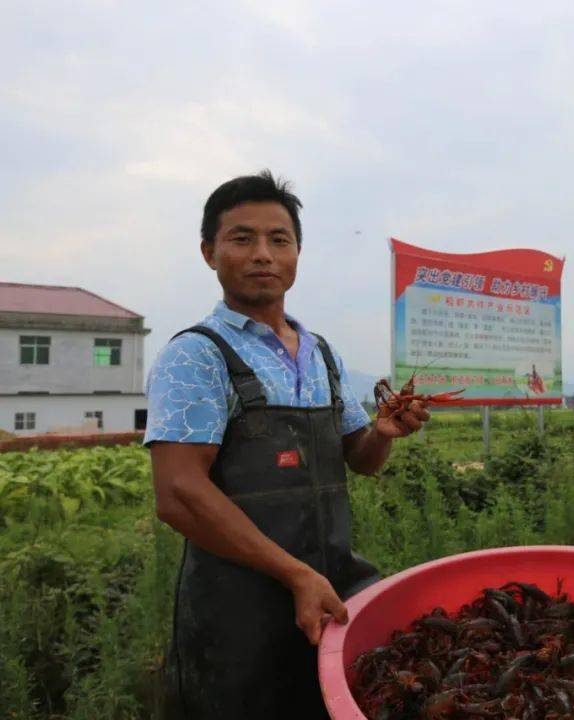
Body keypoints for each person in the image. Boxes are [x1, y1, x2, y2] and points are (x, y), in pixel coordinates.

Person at [145, 171, 429, 719]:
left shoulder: (320, 353)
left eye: (279, 240)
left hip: (329, 592)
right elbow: (178, 493)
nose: (263, 255)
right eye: (241, 238)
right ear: (209, 252)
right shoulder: (196, 356)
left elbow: (361, 460)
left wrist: (383, 434)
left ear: (298, 252)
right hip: (238, 614)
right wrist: (294, 574)